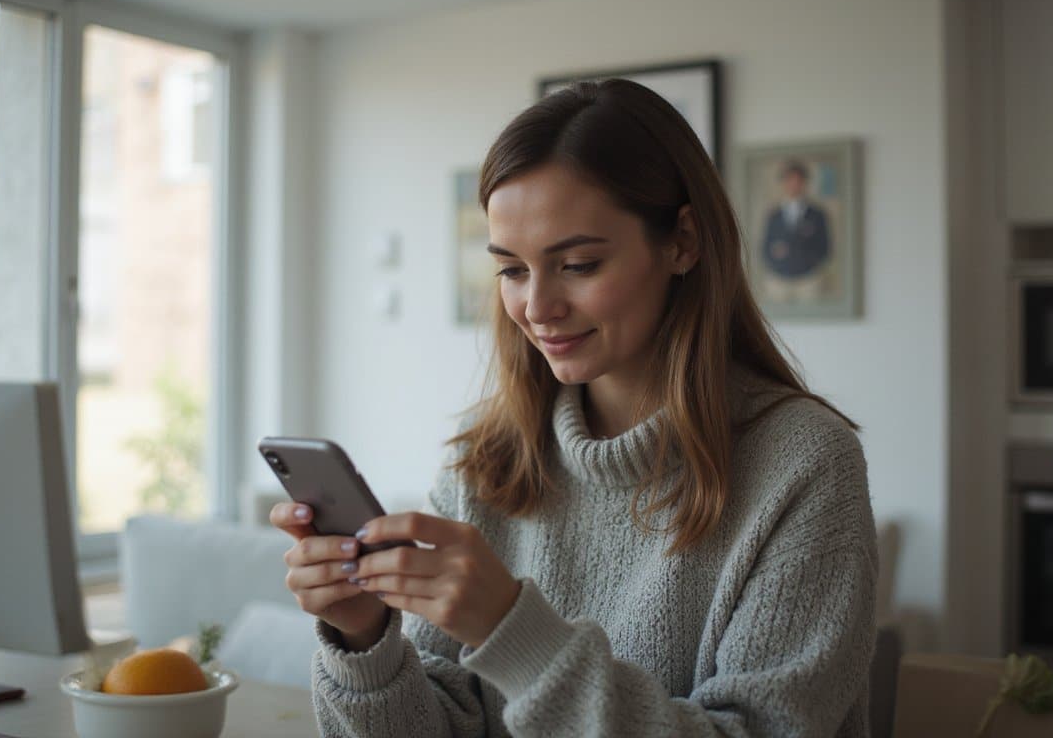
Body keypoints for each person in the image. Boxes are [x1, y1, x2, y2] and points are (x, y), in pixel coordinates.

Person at [272, 78, 876, 737]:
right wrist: (363, 638)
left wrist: (512, 633)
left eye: (579, 264)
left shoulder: (804, 463)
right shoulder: (487, 462)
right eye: (512, 270)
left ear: (683, 241)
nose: (537, 308)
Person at [761, 159, 832, 303]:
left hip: (808, 279)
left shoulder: (817, 214)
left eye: (797, 180)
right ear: (784, 183)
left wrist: (810, 261)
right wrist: (776, 256)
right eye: (790, 180)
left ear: (804, 183)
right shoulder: (773, 215)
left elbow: (825, 247)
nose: (794, 185)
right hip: (779, 279)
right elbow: (765, 247)